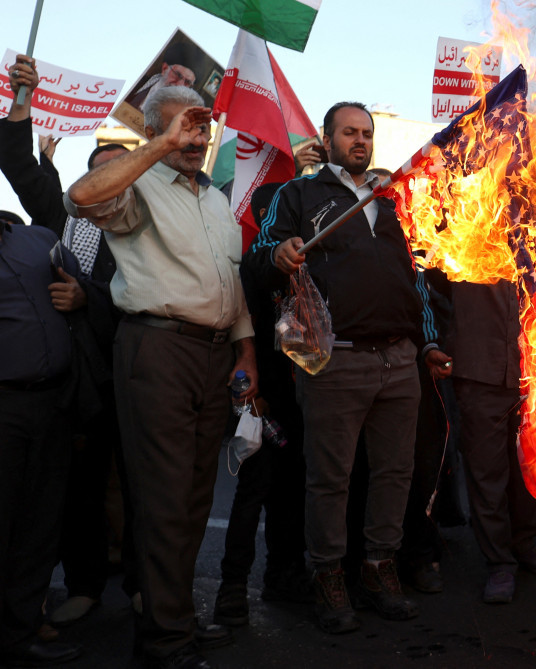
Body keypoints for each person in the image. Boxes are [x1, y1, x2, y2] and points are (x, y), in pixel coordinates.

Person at [64, 87, 256, 669]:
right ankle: (165, 641)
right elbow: (80, 196)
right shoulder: (137, 184)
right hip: (157, 350)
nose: (195, 140)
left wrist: (247, 353)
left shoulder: (217, 202)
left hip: (215, 357)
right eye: (182, 129)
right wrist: (157, 148)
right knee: (165, 498)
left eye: (201, 129)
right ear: (155, 132)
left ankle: (170, 617)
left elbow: (233, 285)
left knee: (195, 499)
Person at [247, 102, 441, 634]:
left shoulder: (389, 201)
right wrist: (280, 253)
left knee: (396, 474)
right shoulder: (299, 195)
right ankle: (328, 575)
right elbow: (261, 256)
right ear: (327, 139)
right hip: (336, 359)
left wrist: (427, 344)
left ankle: (380, 568)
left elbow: (415, 278)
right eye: (349, 133)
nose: (360, 141)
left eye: (367, 134)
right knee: (330, 480)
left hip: (399, 358)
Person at [2, 55, 134, 627]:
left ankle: (145, 588)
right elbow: (18, 163)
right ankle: (82, 584)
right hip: (76, 384)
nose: (108, 182)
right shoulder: (64, 217)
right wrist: (22, 98)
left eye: (121, 171)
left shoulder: (152, 227)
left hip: (136, 372)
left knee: (142, 489)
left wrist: (90, 299)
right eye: (99, 171)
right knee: (77, 489)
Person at [212, 182, 310, 629]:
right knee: (253, 493)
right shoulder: (248, 265)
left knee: (292, 493)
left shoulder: (306, 264)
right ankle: (233, 586)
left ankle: (283, 575)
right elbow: (241, 330)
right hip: (259, 400)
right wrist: (251, 393)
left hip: (299, 400)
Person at [0, 216, 82, 667]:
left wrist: (82, 295)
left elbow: (81, 284)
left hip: (51, 404)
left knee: (39, 524)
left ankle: (21, 630)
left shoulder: (39, 239)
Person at [447, 280, 536, 604]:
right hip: (479, 370)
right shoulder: (467, 230)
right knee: (487, 473)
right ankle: (499, 562)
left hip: (533, 370)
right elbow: (433, 287)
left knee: (528, 466)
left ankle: (525, 544)